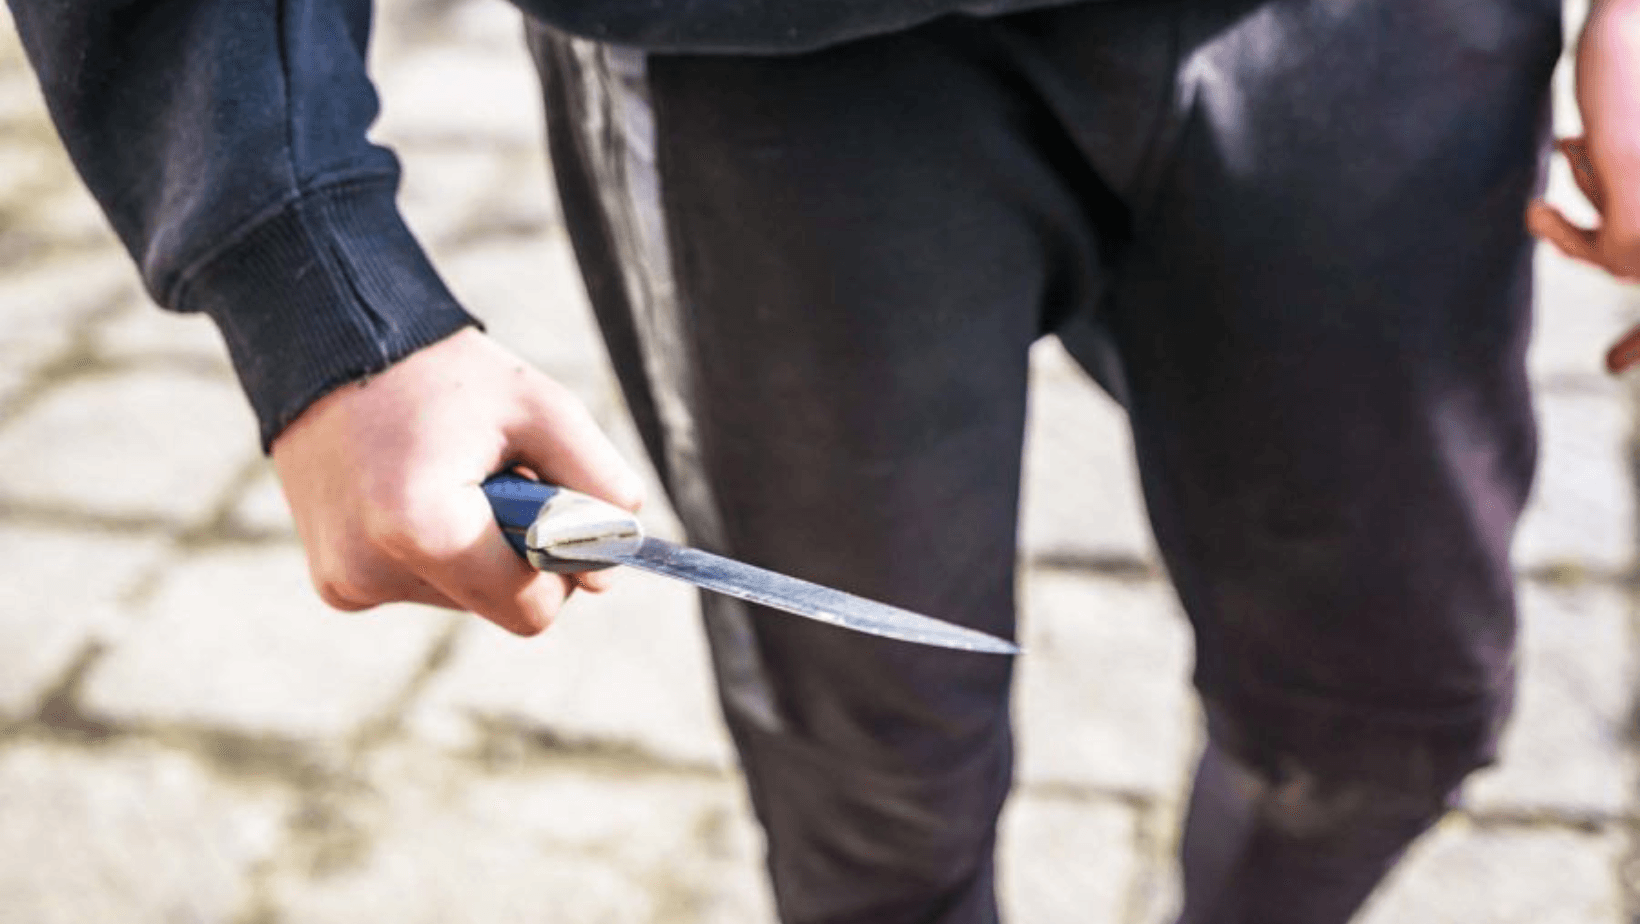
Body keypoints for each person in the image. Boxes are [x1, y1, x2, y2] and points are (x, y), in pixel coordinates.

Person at [7, 0, 1638, 920]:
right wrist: (304, 272)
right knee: (879, 809)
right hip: (760, 63)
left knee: (1391, 711)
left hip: (1386, 35)